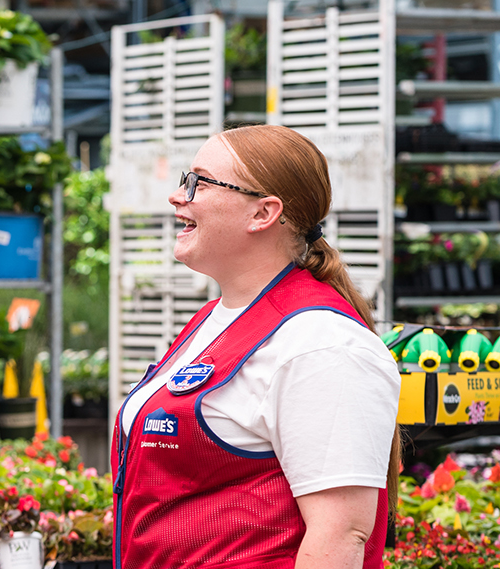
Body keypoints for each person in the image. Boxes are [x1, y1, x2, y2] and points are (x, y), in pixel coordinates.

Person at [109, 124, 401, 569]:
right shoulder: (213, 320)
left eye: (198, 182)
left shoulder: (322, 346)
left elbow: (340, 537)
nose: (177, 196)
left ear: (263, 214)